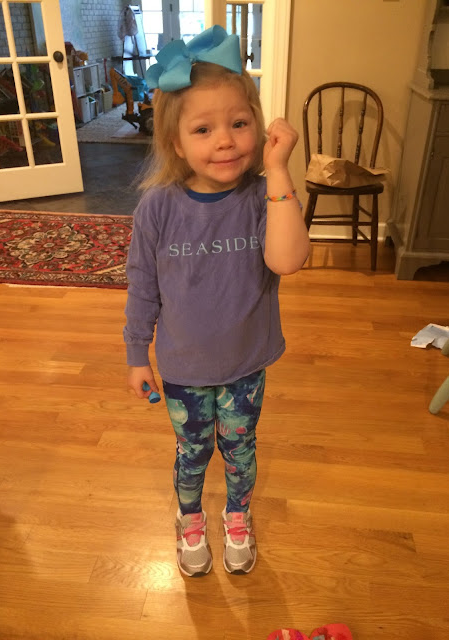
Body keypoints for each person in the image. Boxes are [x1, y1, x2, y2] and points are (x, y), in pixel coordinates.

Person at [123, 25, 310, 577]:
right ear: (176, 143)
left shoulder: (263, 196)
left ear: (258, 126)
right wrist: (136, 354)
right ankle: (189, 518)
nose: (225, 140)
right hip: (183, 369)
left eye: (239, 123)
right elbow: (142, 285)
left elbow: (288, 259)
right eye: (204, 129)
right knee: (192, 451)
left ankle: (237, 515)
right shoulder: (157, 208)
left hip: (246, 364)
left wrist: (279, 170)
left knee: (240, 449)